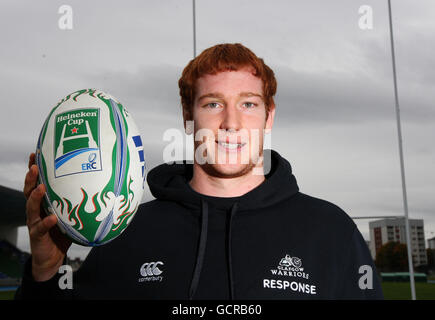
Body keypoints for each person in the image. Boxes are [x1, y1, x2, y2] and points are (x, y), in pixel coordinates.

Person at [16, 43, 383, 300]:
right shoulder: (129, 234)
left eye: (249, 104)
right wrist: (46, 273)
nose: (231, 123)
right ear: (188, 117)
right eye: (213, 104)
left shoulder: (331, 231)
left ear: (269, 116)